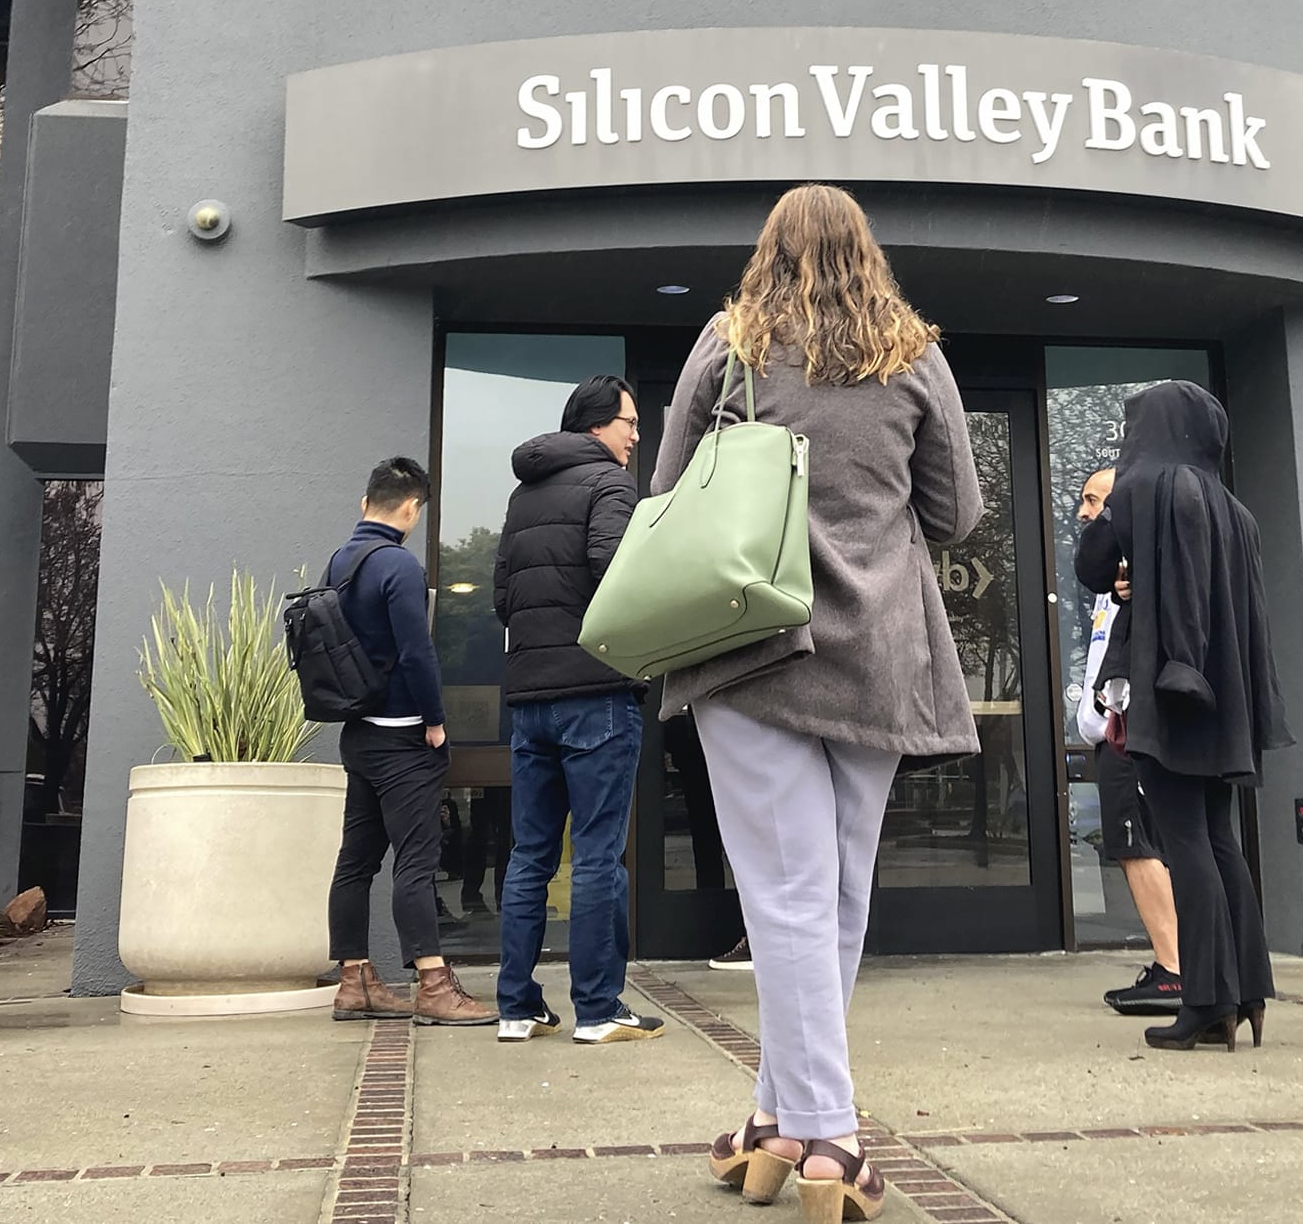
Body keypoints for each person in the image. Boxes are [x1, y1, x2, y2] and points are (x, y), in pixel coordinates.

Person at [655, 184, 980, 1222]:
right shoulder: (913, 353)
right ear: (865, 251)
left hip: (750, 647)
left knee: (787, 895)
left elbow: (668, 492)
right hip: (878, 651)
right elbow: (957, 513)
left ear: (769, 251)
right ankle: (776, 1120)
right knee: (834, 894)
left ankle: (826, 1132)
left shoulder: (730, 344)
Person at [1076, 382, 1292, 1052]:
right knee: (1220, 836)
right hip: (1225, 696)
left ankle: (1204, 999)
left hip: (1169, 686)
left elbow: (1090, 565)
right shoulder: (1234, 511)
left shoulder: (1143, 489)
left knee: (1183, 840)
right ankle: (1247, 991)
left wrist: (1116, 525)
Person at [490, 374, 666, 1045]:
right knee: (596, 855)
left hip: (531, 698)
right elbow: (616, 572)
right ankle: (597, 1009)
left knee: (530, 855)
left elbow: (503, 596)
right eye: (629, 422)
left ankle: (516, 1006)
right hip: (596, 694)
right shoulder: (610, 484)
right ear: (597, 425)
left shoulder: (524, 494)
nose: (636, 435)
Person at [324, 456, 496, 1026]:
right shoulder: (398, 566)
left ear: (364, 503)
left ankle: (354, 981)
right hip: (402, 738)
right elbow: (418, 653)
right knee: (416, 862)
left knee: (355, 862)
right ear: (411, 509)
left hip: (358, 736)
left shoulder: (340, 563)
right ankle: (433, 985)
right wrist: (436, 722)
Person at [1072, 465, 1183, 1016]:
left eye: (1095, 501)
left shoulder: (1143, 573)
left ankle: (1174, 969)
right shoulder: (1109, 583)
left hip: (1129, 735)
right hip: (1114, 733)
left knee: (1139, 847)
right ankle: (1180, 964)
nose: (1084, 512)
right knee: (1140, 847)